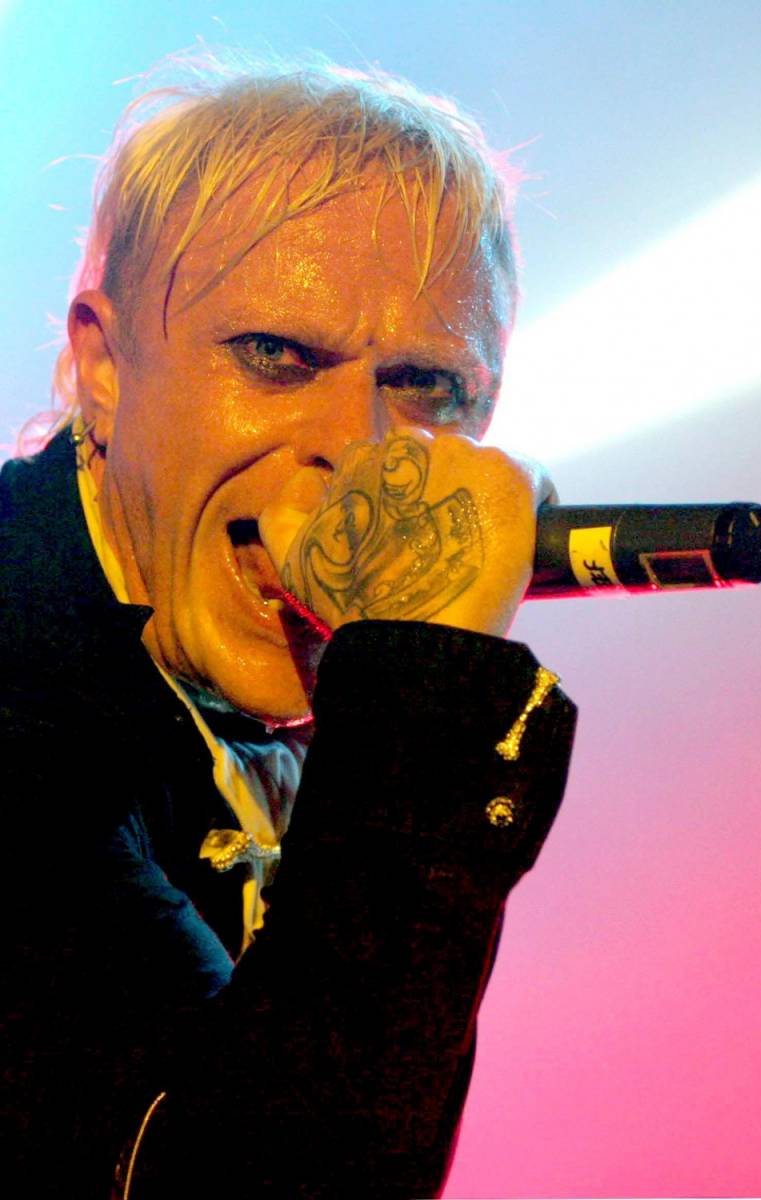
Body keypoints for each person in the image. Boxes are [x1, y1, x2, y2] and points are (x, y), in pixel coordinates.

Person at [1, 55, 577, 1198]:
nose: (353, 449)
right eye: (274, 357)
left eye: (425, 387)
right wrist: (424, 697)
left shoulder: (278, 689)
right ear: (103, 362)